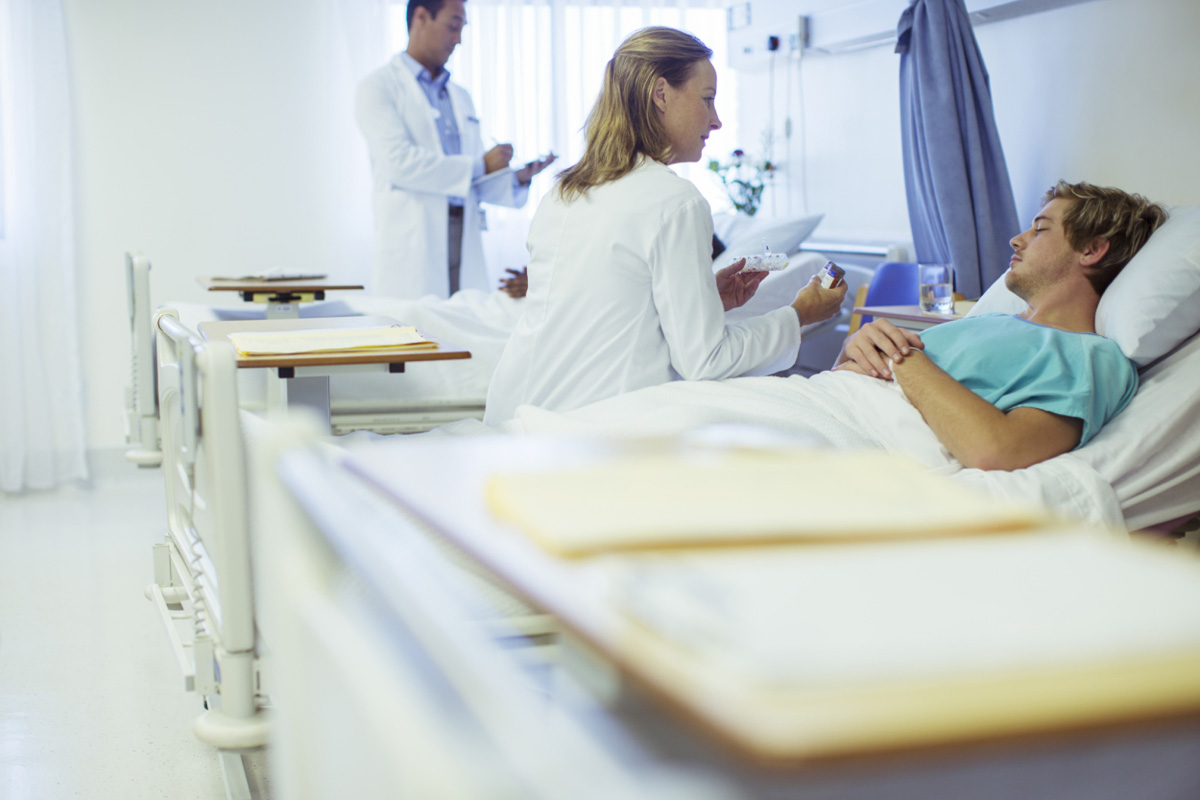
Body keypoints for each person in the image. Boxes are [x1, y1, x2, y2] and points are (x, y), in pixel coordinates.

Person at [484, 27, 846, 425]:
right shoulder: (676, 202)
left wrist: (706, 300)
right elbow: (707, 361)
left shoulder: (565, 191)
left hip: (514, 416)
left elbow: (608, 308)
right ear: (661, 94)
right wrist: (798, 315)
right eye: (707, 99)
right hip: (589, 429)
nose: (717, 120)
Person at [834, 180, 1167, 470]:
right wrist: (856, 348)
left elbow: (998, 450)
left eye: (1040, 229)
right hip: (821, 403)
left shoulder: (1090, 356)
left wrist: (903, 359)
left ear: (1092, 250)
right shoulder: (987, 322)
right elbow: (853, 376)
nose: (1016, 240)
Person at [356, 0, 556, 300]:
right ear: (422, 17)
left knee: (463, 333)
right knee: (413, 336)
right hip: (414, 243)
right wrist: (481, 165)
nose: (459, 39)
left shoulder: (460, 97)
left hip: (464, 236)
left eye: (462, 29)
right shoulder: (379, 87)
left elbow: (471, 183)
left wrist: (515, 178)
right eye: (453, 26)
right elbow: (399, 163)